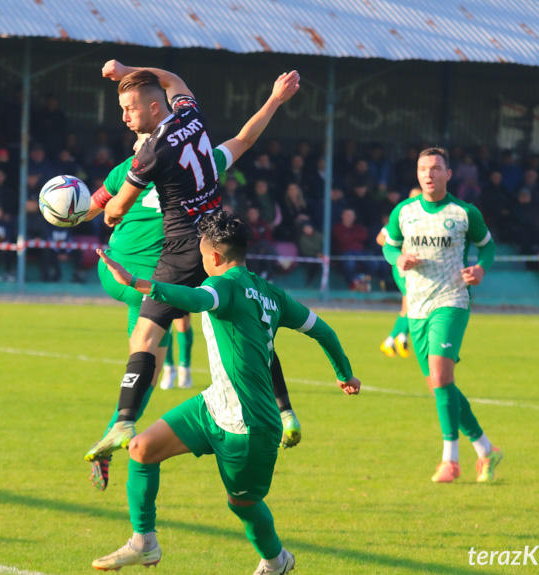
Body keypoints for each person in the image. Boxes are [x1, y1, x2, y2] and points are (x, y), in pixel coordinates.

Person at [92, 210, 360, 573]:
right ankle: (144, 543)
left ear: (215, 257)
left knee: (243, 504)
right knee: (141, 450)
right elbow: (323, 331)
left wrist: (139, 282)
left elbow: (195, 300)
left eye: (202, 255)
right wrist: (345, 374)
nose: (201, 262)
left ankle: (276, 560)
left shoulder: (224, 285)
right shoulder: (271, 293)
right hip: (214, 404)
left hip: (249, 425)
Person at [83, 69, 303, 491]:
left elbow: (113, 210)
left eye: (130, 109)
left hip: (182, 251)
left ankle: (124, 423)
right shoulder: (192, 119)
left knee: (146, 338)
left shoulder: (147, 158)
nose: (125, 118)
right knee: (251, 326)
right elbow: (239, 135)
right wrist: (274, 99)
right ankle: (286, 409)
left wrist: (108, 207)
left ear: (152, 107)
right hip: (219, 241)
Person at [383, 148, 503, 483]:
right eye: (423, 169)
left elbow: (488, 246)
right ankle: (486, 450)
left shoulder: (464, 213)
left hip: (452, 301)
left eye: (436, 168)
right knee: (440, 384)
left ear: (448, 174)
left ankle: (450, 460)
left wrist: (480, 268)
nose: (428, 174)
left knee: (440, 374)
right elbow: (388, 245)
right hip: (417, 307)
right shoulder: (403, 212)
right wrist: (397, 258)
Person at [377, 186, 422, 358]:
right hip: (403, 268)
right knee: (411, 305)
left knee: (409, 306)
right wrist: (400, 251)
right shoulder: (404, 215)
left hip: (415, 267)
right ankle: (391, 340)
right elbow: (380, 238)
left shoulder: (424, 219)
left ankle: (400, 339)